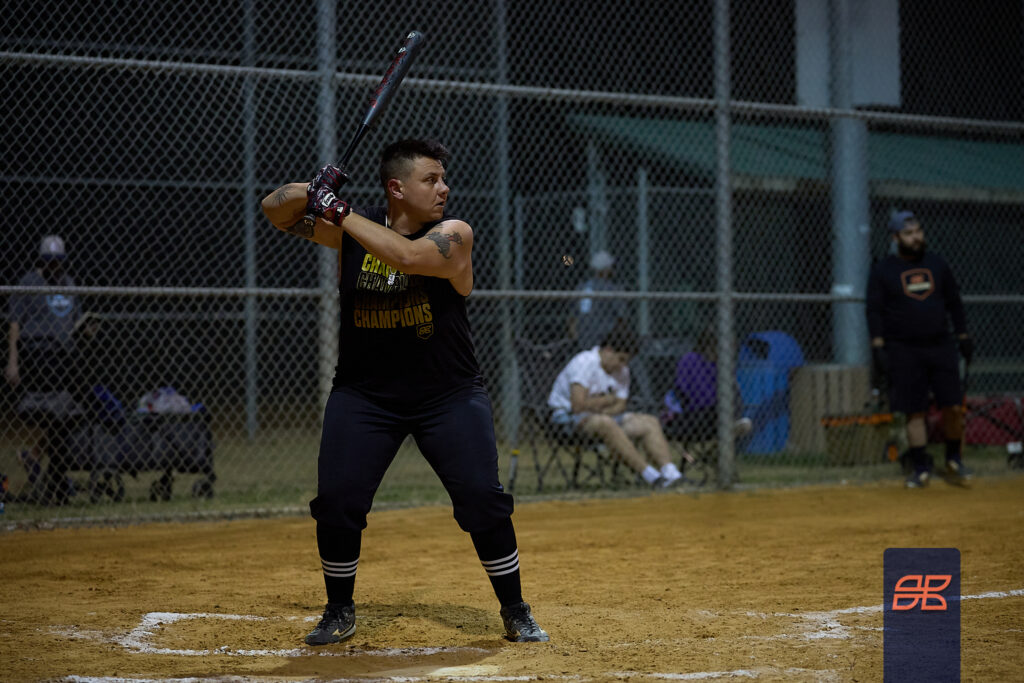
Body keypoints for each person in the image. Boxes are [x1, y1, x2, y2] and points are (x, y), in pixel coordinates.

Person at [260, 139, 548, 645]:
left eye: (443, 179)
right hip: (365, 395)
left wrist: (338, 210)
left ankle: (515, 608)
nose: (444, 188)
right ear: (396, 188)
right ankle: (338, 609)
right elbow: (274, 211)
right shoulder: (355, 230)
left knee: (482, 500)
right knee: (338, 501)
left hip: (447, 395)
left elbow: (409, 257)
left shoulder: (454, 233)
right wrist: (312, 189)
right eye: (430, 179)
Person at [866, 210, 973, 488]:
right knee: (914, 411)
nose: (915, 238)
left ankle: (954, 459)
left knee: (953, 406)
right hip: (904, 349)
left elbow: (954, 301)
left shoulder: (937, 264)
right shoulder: (883, 270)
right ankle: (921, 467)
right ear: (895, 238)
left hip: (940, 345)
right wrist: (878, 346)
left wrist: (963, 335)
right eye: (908, 234)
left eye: (918, 232)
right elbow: (874, 310)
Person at [6, 235, 96, 504]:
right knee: (55, 415)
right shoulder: (28, 283)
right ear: (41, 261)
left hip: (66, 359)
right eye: (49, 261)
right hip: (38, 357)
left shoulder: (69, 284)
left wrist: (87, 331)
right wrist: (13, 361)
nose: (54, 266)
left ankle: (38, 461)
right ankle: (52, 477)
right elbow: (14, 325)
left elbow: (76, 321)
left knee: (72, 415)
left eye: (58, 261)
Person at [547, 321, 686, 488]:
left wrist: (601, 407)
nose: (623, 365)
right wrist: (606, 400)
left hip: (603, 419)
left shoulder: (622, 370)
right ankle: (651, 476)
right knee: (606, 423)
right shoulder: (585, 362)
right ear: (608, 350)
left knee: (649, 422)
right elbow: (578, 405)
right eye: (620, 359)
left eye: (626, 361)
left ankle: (671, 474)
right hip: (566, 420)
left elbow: (621, 405)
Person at [660, 324, 752, 444]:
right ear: (709, 345)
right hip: (692, 415)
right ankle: (727, 429)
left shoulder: (722, 365)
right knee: (718, 412)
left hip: (716, 413)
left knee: (730, 407)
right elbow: (685, 394)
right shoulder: (690, 360)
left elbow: (733, 396)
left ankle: (729, 428)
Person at [567, 250, 627, 350]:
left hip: (583, 336)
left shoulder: (582, 287)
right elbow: (621, 317)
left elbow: (573, 316)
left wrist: (575, 334)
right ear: (605, 270)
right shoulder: (612, 289)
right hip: (605, 337)